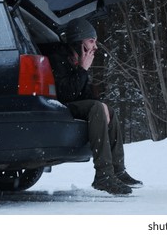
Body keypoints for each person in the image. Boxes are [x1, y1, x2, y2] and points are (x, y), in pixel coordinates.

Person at [49, 18, 142, 195]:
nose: (96, 47)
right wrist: (82, 70)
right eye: (91, 41)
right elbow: (66, 94)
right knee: (98, 108)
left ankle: (117, 171)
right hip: (59, 106)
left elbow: (84, 95)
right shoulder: (58, 58)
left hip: (71, 103)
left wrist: (98, 102)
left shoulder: (76, 60)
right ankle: (103, 176)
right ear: (79, 40)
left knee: (109, 110)